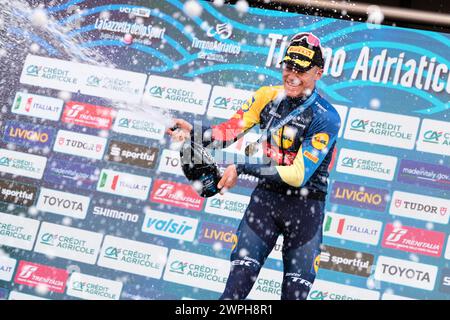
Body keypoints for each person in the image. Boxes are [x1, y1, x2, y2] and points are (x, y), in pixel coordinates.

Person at [166, 32, 341, 300]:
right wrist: (195, 134)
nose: (292, 75)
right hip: (266, 202)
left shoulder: (326, 117)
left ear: (318, 72)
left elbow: (297, 176)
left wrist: (242, 166)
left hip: (306, 210)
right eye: (289, 66)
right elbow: (228, 132)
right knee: (232, 295)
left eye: (301, 69)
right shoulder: (265, 96)